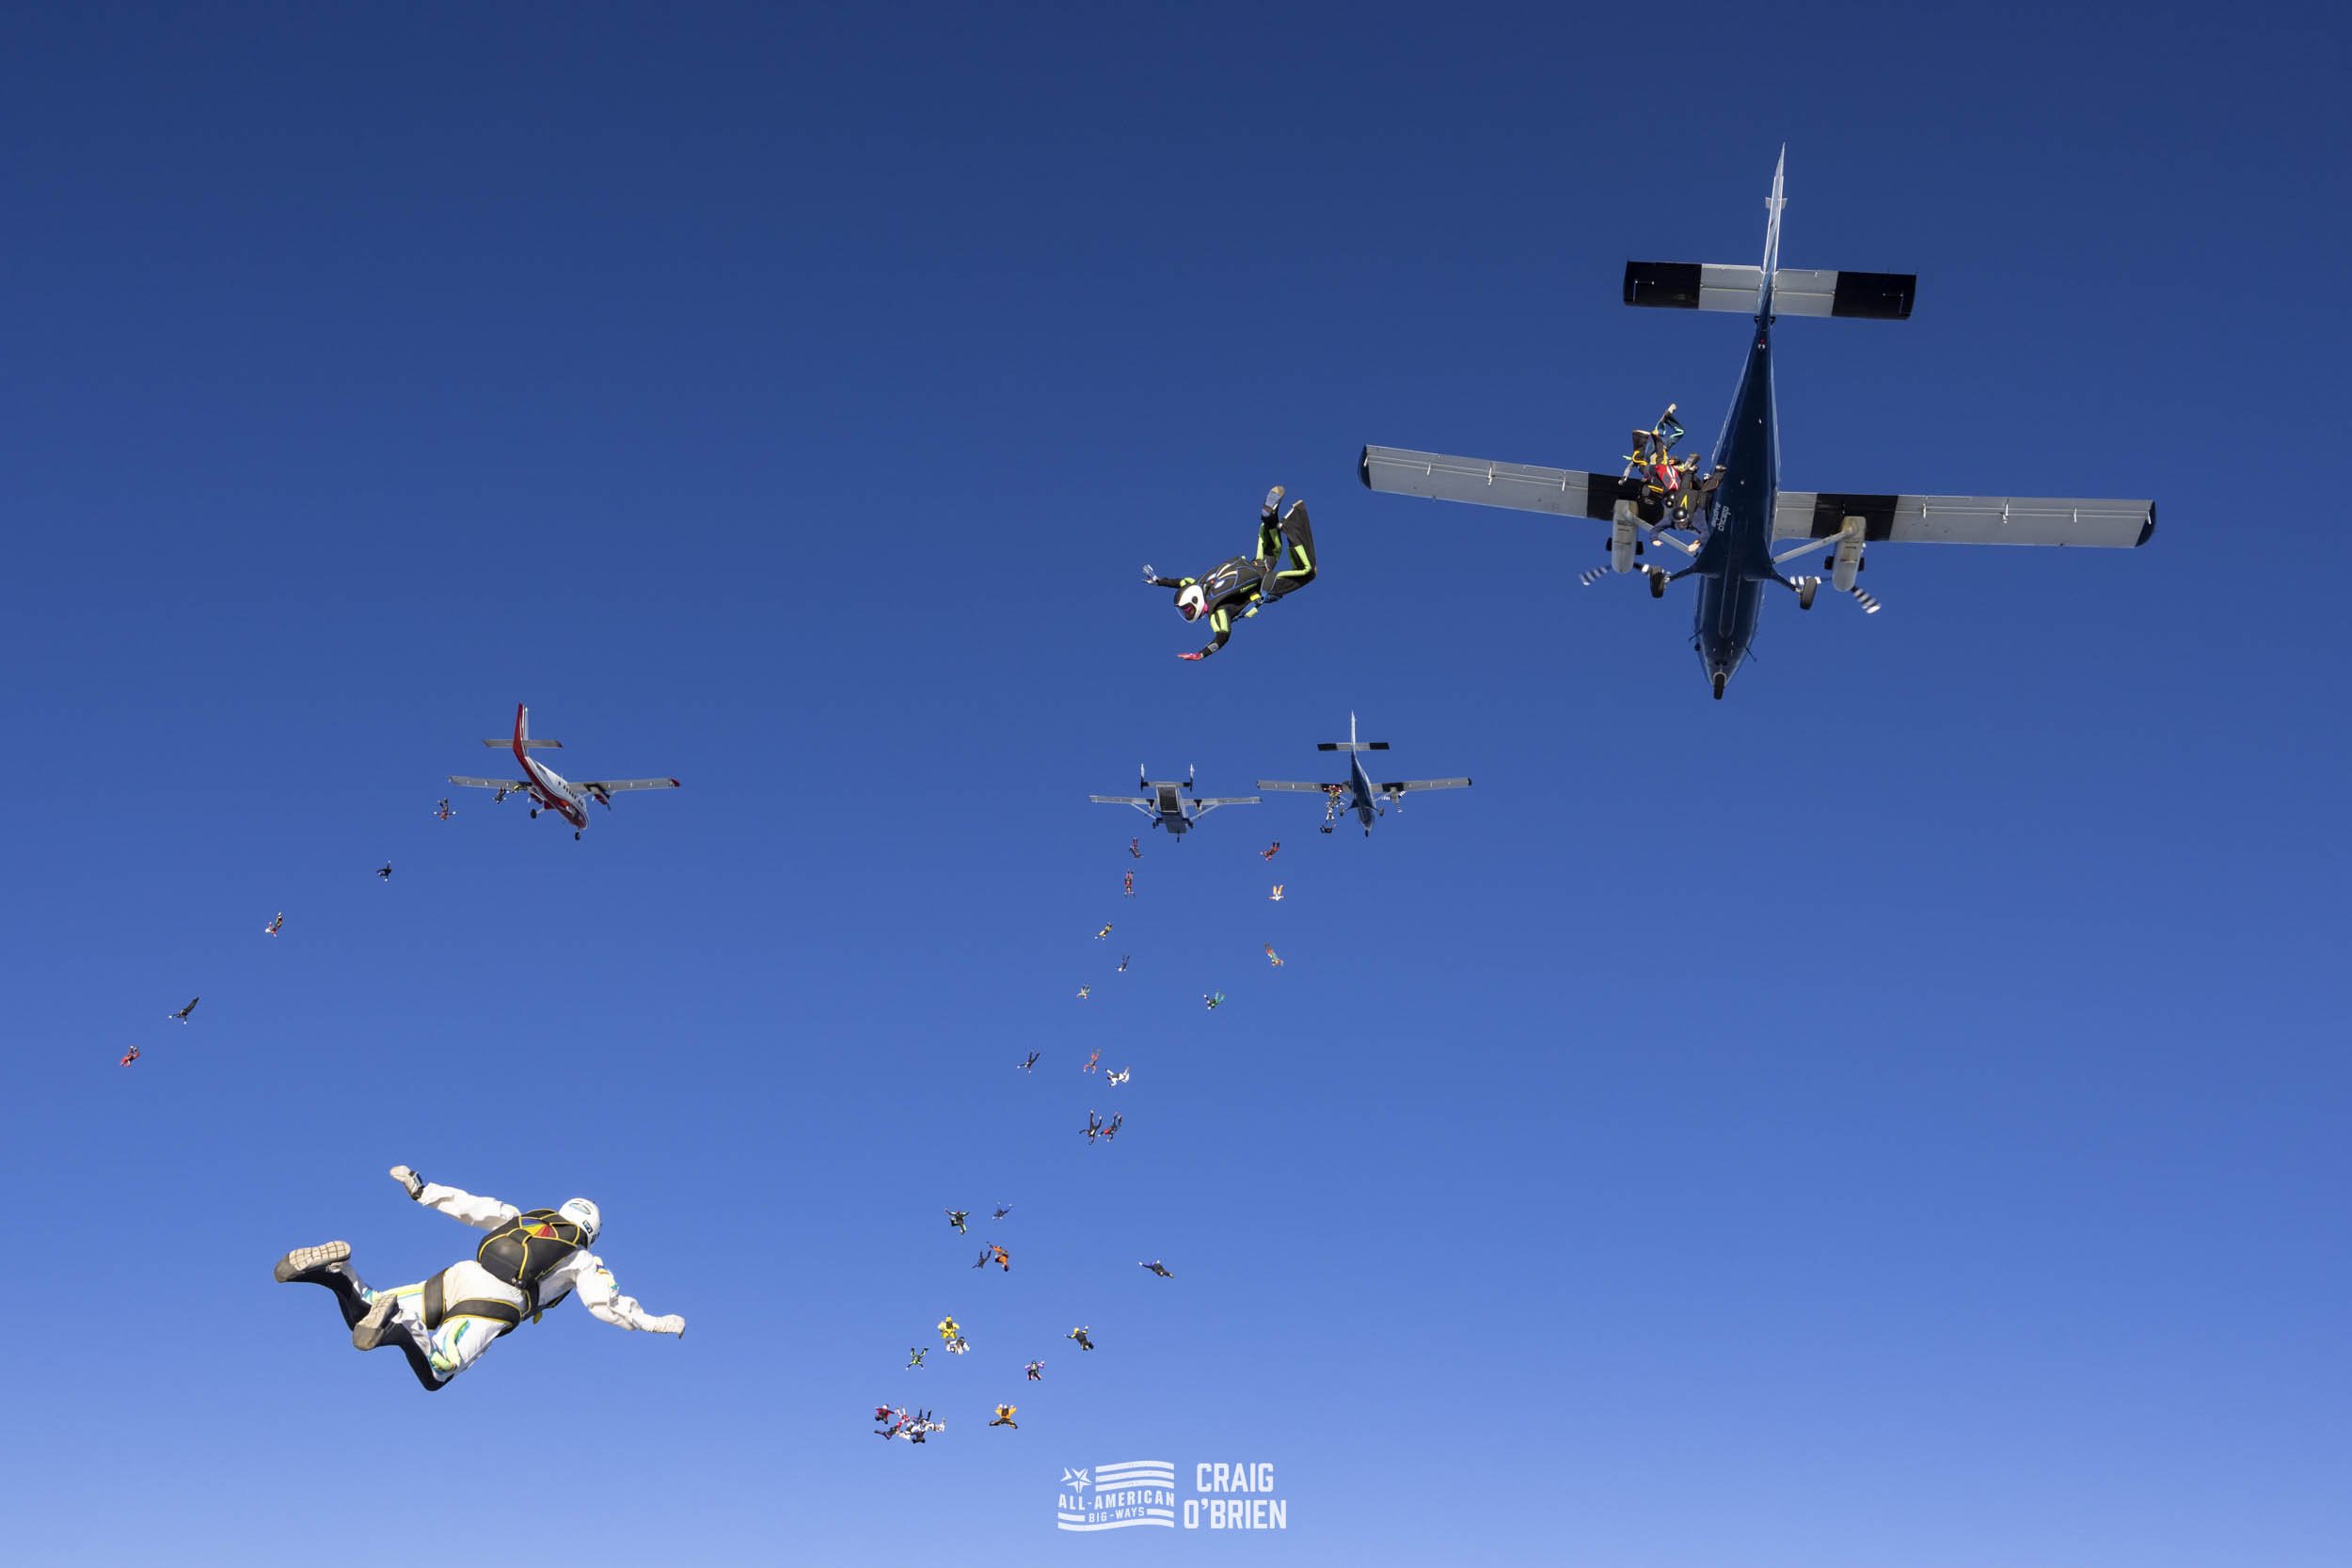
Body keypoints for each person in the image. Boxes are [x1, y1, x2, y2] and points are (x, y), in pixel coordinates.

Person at [276, 1165, 682, 1392]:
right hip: (497, 1301)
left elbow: (474, 1207)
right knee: (437, 1370)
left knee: (366, 1309)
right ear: (591, 1232)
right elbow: (606, 1304)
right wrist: (653, 1323)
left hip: (464, 1272)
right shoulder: (582, 1257)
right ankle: (402, 1325)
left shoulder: (524, 1219)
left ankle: (339, 1273)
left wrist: (422, 1190)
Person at [1144, 486, 1317, 660]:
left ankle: (1290, 526)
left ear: (1195, 600)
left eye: (1188, 609)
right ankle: (1269, 518)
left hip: (1265, 584)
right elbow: (1180, 582)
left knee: (1308, 572)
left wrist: (1201, 654)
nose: (1188, 614)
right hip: (1255, 565)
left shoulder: (1216, 611)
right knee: (1272, 548)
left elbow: (1222, 637)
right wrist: (1159, 581)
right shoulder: (1197, 583)